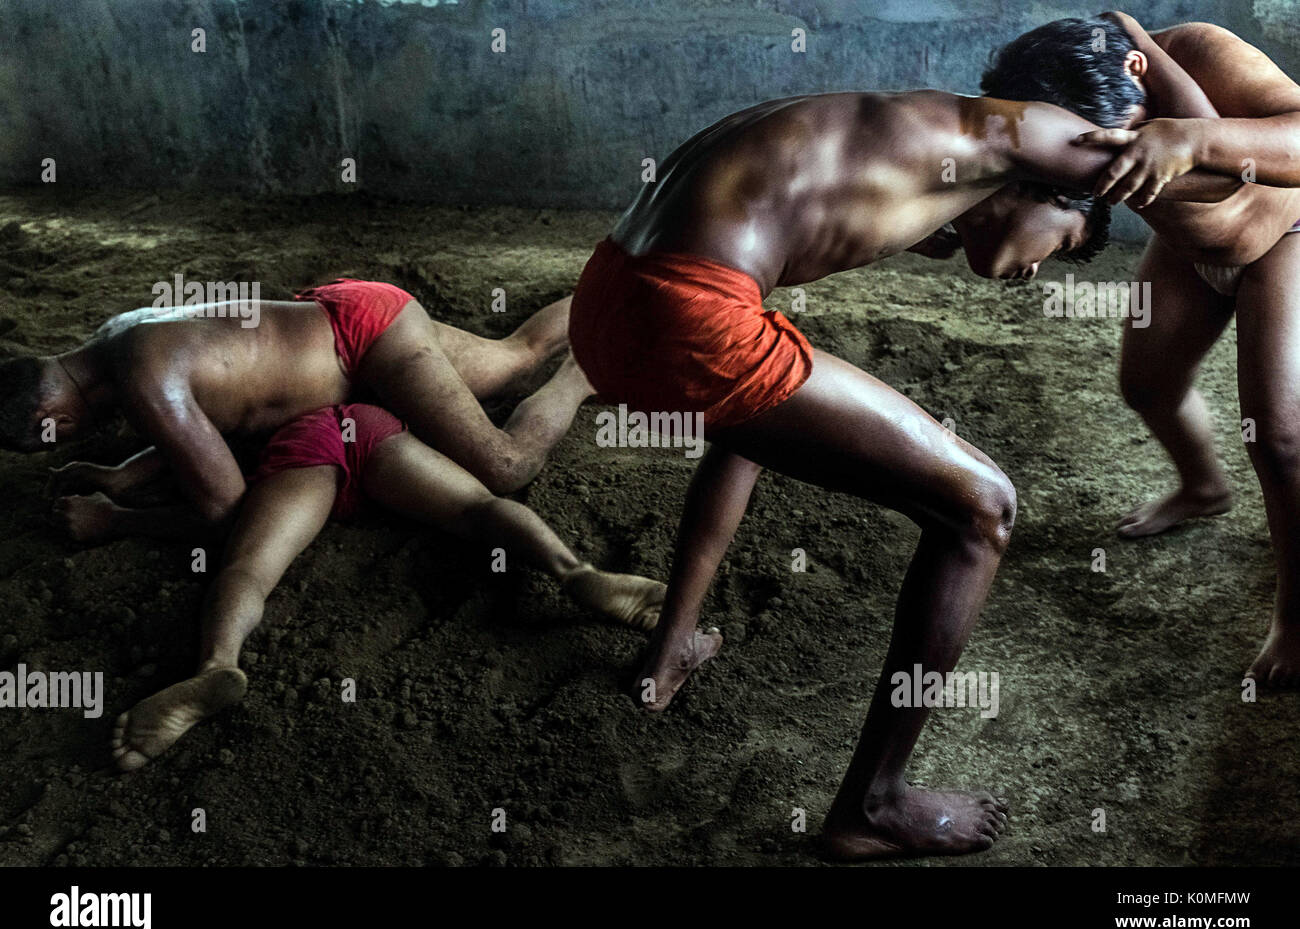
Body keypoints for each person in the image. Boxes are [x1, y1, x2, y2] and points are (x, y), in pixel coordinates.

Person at [566, 83, 1239, 859]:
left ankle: (671, 649)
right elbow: (1214, 175)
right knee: (983, 507)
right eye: (1067, 243)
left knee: (755, 421)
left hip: (608, 301)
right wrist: (1173, 104)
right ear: (1047, 187)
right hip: (686, 316)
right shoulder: (1026, 131)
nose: (1042, 272)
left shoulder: (912, 140)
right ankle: (874, 805)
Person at [979, 12, 1300, 687]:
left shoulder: (1204, 52)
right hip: (1193, 246)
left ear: (1134, 71)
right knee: (1148, 384)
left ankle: (1296, 616)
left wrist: (1189, 137)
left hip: (1288, 234)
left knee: (1279, 437)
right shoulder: (1058, 118)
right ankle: (1203, 488)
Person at [108, 402, 666, 771]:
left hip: (301, 449)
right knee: (480, 508)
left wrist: (114, 496)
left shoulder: (240, 387)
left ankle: (216, 666)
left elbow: (181, 452)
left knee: (249, 569)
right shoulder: (335, 349)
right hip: (370, 427)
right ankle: (578, 574)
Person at [1, 280, 590, 540]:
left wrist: (116, 520)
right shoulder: (116, 337)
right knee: (514, 356)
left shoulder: (142, 378)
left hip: (368, 341)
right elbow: (207, 417)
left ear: (50, 420)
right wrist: (122, 474)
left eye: (52, 441)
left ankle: (582, 376)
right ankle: (613, 293)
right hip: (343, 313)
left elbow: (224, 507)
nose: (67, 442)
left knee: (506, 468)